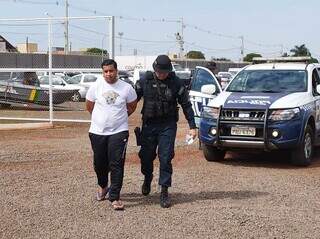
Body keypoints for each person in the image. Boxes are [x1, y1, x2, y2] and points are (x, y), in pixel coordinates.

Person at [135, 55, 197, 208]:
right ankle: (147, 178)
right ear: (154, 69)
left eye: (165, 72)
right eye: (159, 71)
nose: (162, 74)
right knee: (146, 157)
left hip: (167, 126)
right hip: (149, 125)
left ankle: (164, 190)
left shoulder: (176, 82)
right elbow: (131, 100)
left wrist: (192, 126)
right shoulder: (145, 80)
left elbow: (186, 105)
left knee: (166, 157)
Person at [86, 59, 137, 210]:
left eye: (111, 71)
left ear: (117, 71)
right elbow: (89, 106)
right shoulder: (95, 87)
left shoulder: (126, 88)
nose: (108, 74)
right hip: (97, 131)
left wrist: (119, 118)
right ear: (103, 72)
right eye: (105, 71)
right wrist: (101, 120)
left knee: (116, 163)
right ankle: (103, 186)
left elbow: (132, 106)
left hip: (119, 132)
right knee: (99, 164)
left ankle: (115, 196)